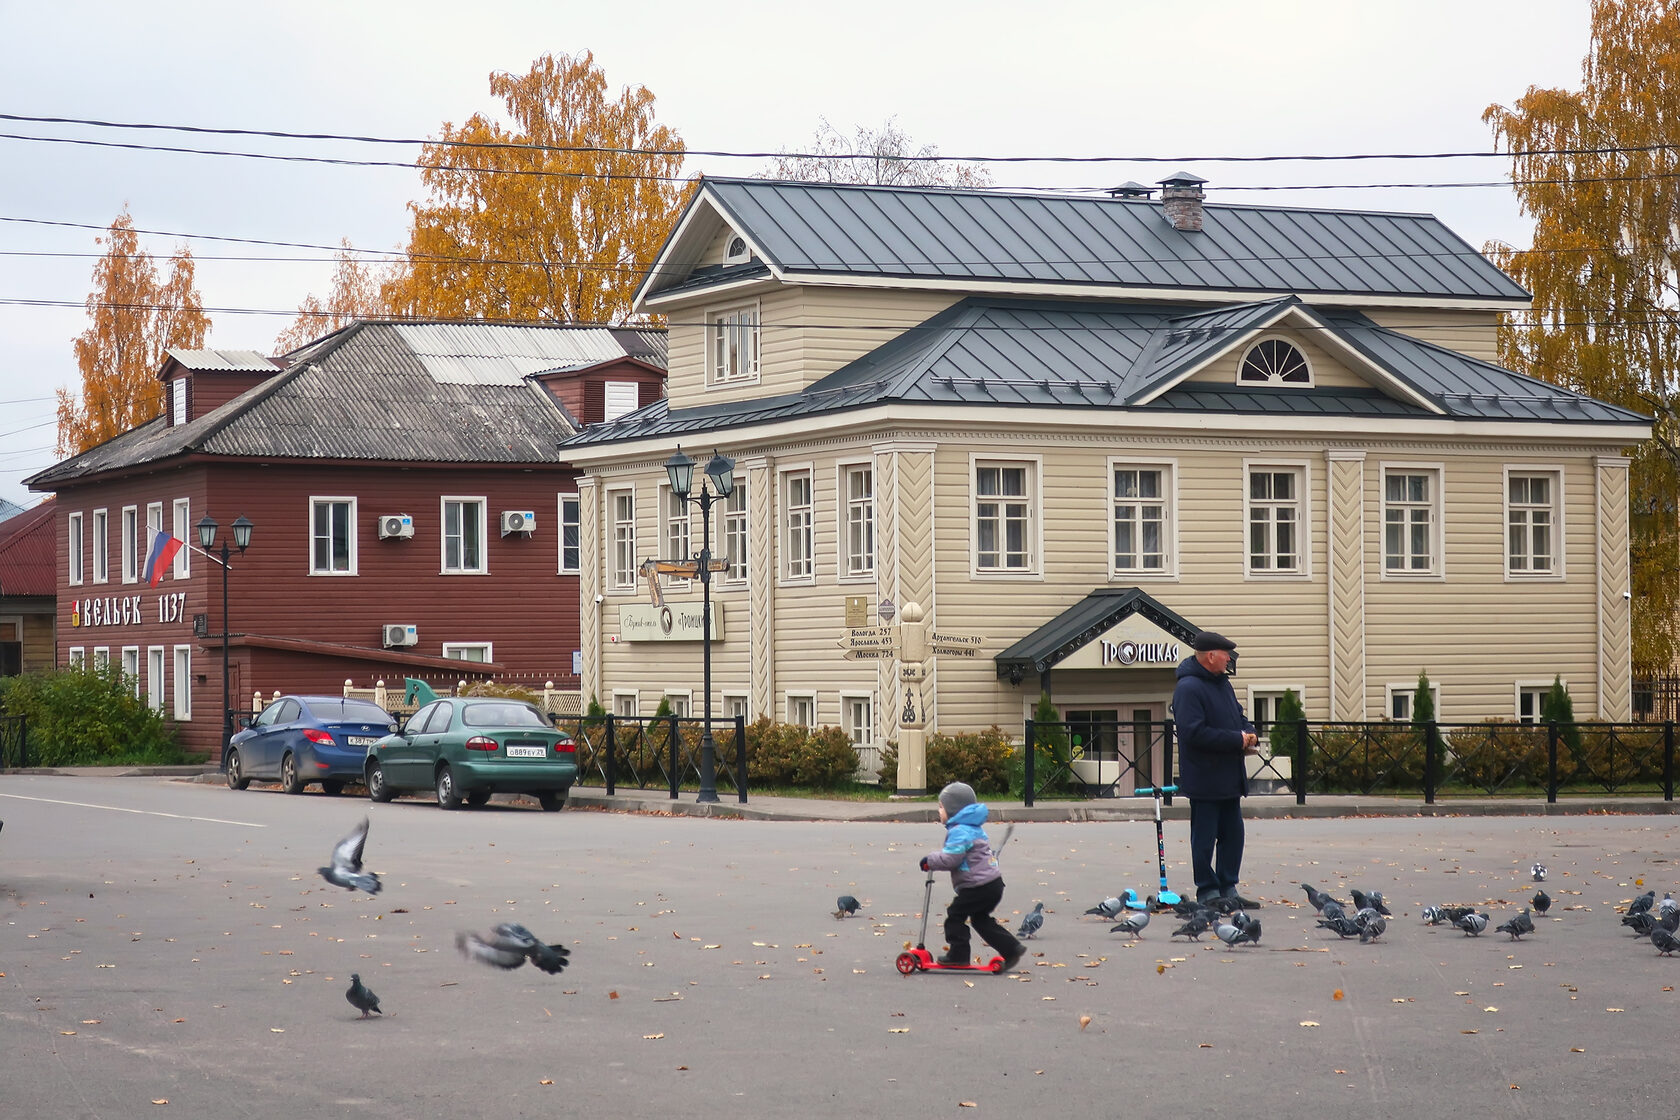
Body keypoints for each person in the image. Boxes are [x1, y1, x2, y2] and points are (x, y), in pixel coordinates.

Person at [1172, 630, 1261, 906]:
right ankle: (1208, 890)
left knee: (1233, 835)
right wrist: (1236, 739)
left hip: (1229, 776)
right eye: (1226, 655)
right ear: (1211, 656)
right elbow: (1193, 733)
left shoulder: (1222, 684)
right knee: (1205, 838)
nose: (1229, 660)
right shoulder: (1188, 688)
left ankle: (1228, 887)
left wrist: (1248, 731)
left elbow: (1238, 715)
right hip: (1205, 777)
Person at [919, 781, 1025, 972]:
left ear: (953, 809)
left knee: (955, 915)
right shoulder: (973, 827)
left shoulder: (959, 831)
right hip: (992, 884)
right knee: (980, 919)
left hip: (978, 886)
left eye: (941, 807)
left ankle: (958, 955)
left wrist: (930, 860)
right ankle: (1011, 948)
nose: (939, 811)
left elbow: (952, 859)